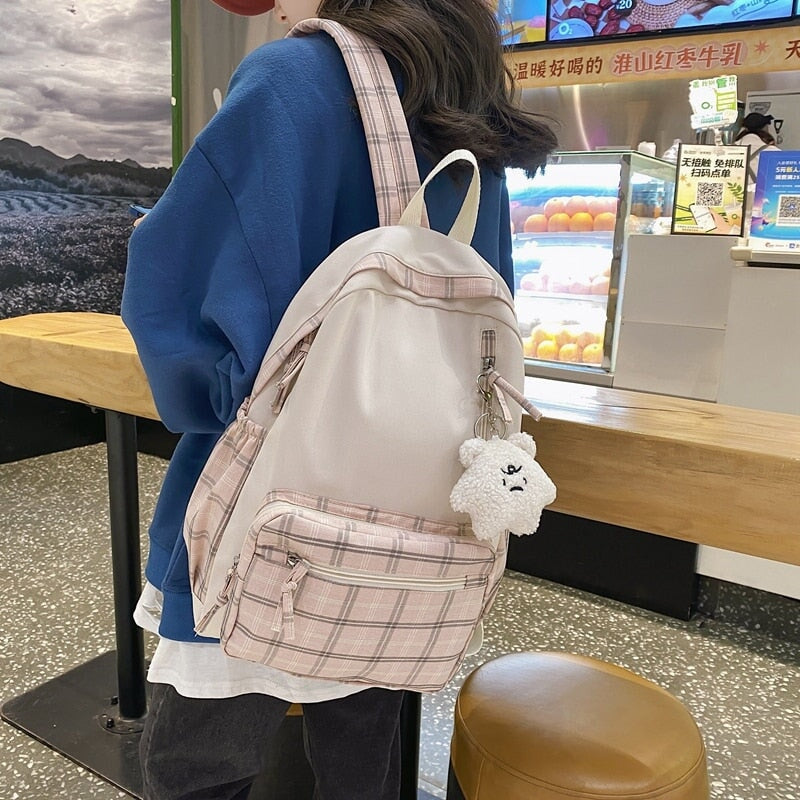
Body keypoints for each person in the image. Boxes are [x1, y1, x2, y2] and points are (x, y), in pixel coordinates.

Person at [121, 0, 557, 798]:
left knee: (200, 765)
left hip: (266, 506)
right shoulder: (463, 91)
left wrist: (214, 395)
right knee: (365, 760)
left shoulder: (294, 79)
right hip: (418, 523)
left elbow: (181, 304)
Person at [734, 112, 780, 185]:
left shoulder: (729, 149)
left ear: (745, 128)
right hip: (764, 195)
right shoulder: (773, 152)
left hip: (733, 193)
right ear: (765, 128)